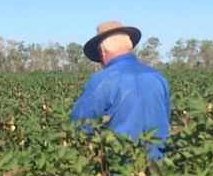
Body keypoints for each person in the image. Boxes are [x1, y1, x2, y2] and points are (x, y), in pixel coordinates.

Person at [70, 20, 170, 160]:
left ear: (102, 51)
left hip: (119, 169)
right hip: (159, 168)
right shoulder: (158, 77)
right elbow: (165, 120)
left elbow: (80, 125)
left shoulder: (100, 81)